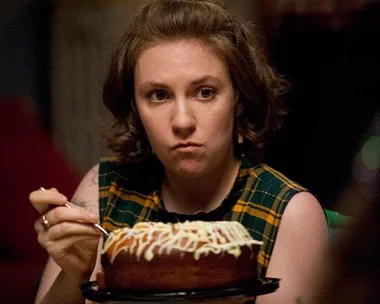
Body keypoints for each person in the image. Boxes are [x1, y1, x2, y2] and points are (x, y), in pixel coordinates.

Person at [29, 0, 328, 303]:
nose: (182, 121)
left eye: (205, 92)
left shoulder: (288, 213)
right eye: (159, 96)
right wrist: (73, 275)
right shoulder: (103, 192)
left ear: (238, 99)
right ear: (135, 108)